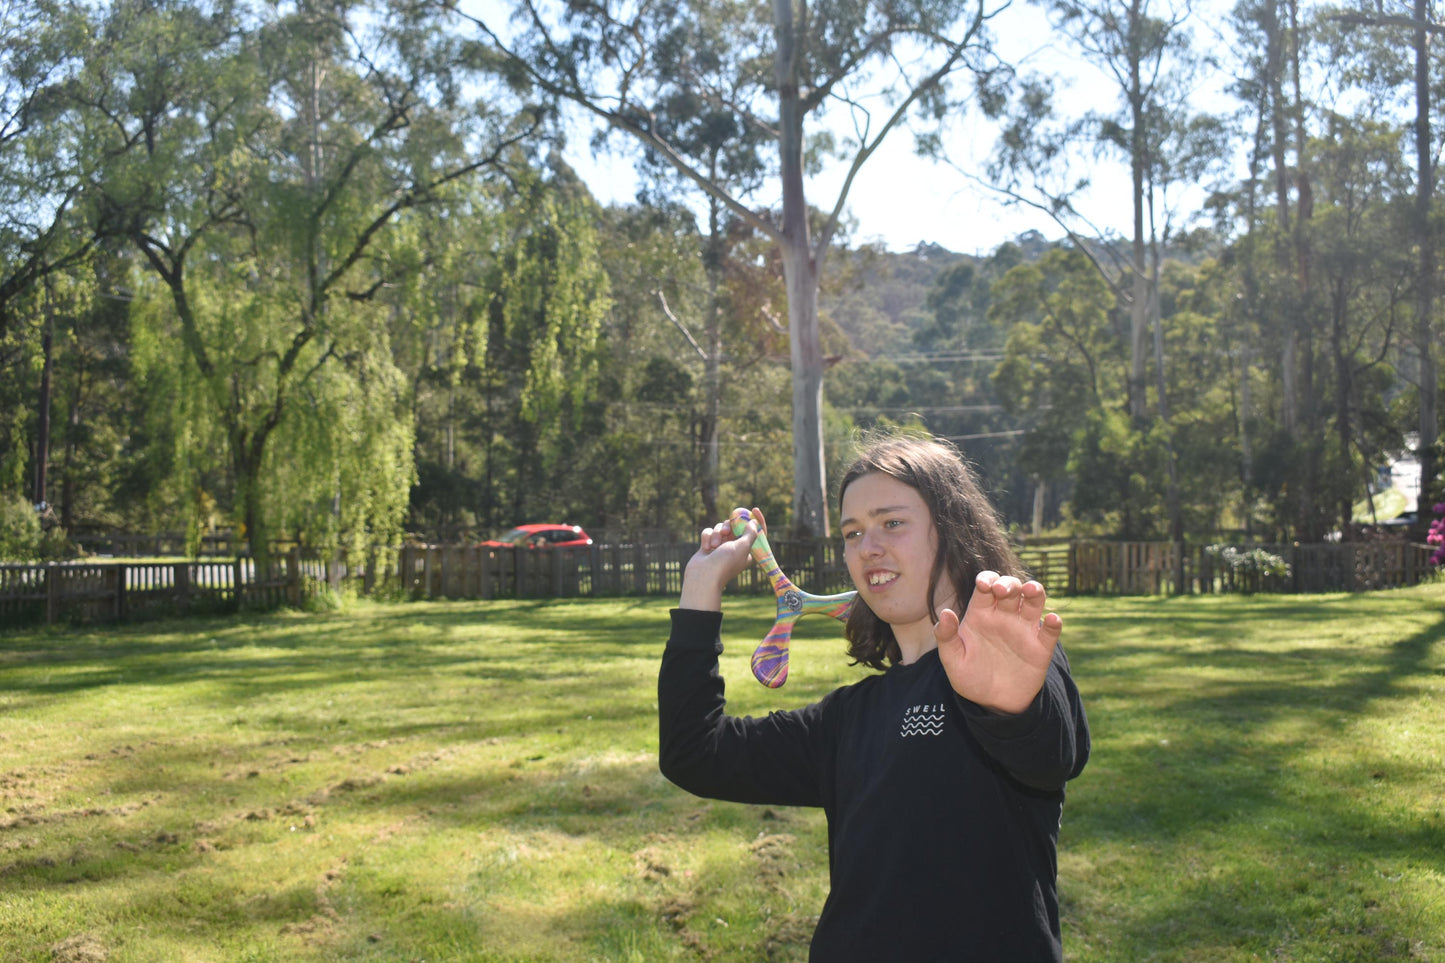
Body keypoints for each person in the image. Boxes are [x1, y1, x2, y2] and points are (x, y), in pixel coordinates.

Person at [658, 433, 1090, 961]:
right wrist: (700, 588)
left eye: (892, 523)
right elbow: (694, 753)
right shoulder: (847, 719)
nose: (868, 547)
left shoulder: (1013, 669)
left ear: (953, 529)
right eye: (853, 532)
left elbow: (1051, 755)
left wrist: (1008, 708)